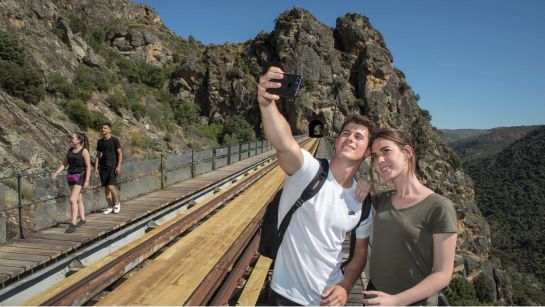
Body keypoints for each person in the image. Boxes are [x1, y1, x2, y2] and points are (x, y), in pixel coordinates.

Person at [258, 66, 375, 306]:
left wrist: (345, 286)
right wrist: (267, 105)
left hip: (328, 299)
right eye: (346, 133)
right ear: (337, 139)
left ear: (368, 152)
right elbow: (285, 144)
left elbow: (360, 253)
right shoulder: (309, 172)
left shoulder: (364, 200)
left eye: (359, 136)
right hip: (286, 296)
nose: (350, 138)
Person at [355, 127, 458, 306]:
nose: (379, 160)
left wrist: (396, 301)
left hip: (412, 302)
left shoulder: (439, 207)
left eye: (386, 151)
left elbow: (443, 274)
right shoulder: (383, 199)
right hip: (374, 294)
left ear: (407, 152)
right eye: (374, 156)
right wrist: (364, 181)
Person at [52, 132, 91, 233]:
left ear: (78, 140)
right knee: (78, 198)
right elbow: (65, 164)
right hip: (71, 177)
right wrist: (56, 172)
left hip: (80, 177)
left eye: (73, 138)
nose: (71, 139)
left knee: (72, 199)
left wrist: (87, 180)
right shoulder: (70, 150)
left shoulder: (84, 151)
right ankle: (82, 219)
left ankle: (73, 224)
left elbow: (88, 166)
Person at [94, 123, 123, 214]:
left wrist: (118, 166)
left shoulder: (115, 140)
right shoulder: (100, 142)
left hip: (112, 167)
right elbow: (98, 156)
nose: (103, 129)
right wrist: (96, 168)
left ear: (109, 130)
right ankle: (110, 206)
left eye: (105, 128)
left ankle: (117, 203)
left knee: (111, 186)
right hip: (103, 168)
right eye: (102, 128)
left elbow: (120, 153)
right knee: (106, 188)